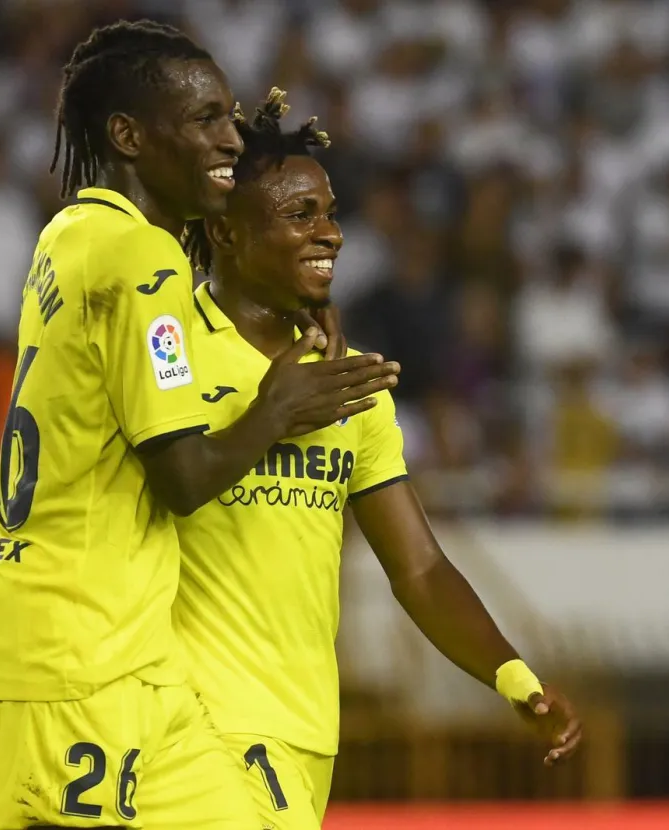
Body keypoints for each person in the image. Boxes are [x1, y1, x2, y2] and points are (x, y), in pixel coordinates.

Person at [0, 20, 401, 830]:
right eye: (205, 119)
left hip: (127, 658)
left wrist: (287, 297)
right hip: (73, 649)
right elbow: (183, 476)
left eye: (229, 116)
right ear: (128, 136)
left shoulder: (68, 236)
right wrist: (279, 407)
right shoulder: (143, 259)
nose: (231, 137)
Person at [174, 89, 584, 830]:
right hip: (185, 726)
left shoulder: (352, 383)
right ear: (226, 231)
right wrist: (269, 416)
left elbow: (418, 567)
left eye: (331, 214)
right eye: (301, 215)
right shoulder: (167, 351)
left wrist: (514, 678)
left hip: (301, 729)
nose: (330, 234)